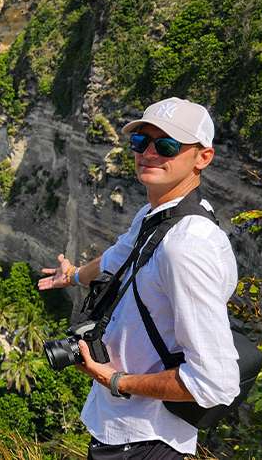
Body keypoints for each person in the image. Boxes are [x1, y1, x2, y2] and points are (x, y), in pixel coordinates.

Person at [38, 98, 240, 459]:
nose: (149, 152)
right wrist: (72, 276)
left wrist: (116, 381)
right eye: (140, 142)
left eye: (167, 145)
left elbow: (216, 382)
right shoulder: (158, 215)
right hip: (120, 430)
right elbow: (117, 256)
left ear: (202, 158)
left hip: (147, 441)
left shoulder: (187, 246)